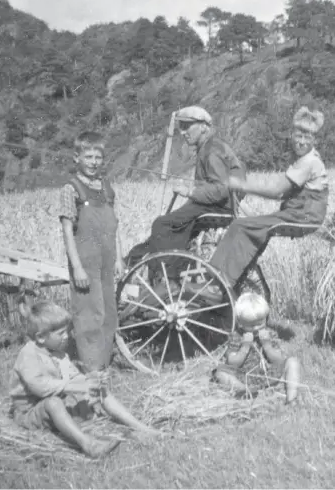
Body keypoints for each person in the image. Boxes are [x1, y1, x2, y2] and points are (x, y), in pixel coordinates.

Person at [10, 300, 158, 458]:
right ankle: (88, 445)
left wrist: (91, 381)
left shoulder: (59, 354)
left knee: (100, 391)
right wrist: (76, 387)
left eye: (66, 331)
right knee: (53, 404)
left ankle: (141, 428)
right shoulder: (29, 355)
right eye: (60, 333)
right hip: (31, 413)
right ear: (40, 337)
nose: (66, 336)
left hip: (58, 400)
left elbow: (74, 377)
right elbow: (39, 387)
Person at [207, 106, 329, 292]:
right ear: (291, 135)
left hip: (302, 217)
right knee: (247, 226)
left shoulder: (309, 162)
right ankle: (222, 277)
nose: (301, 142)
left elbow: (277, 191)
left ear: (315, 140)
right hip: (299, 214)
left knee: (241, 226)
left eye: (307, 138)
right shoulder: (306, 159)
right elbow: (280, 185)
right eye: (298, 136)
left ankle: (217, 284)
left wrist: (241, 185)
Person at [126, 105, 246, 271]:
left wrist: (190, 191)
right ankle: (136, 262)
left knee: (162, 225)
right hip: (214, 206)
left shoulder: (212, 151)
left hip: (215, 208)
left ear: (204, 127)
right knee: (162, 233)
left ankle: (165, 276)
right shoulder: (209, 147)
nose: (182, 132)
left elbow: (221, 189)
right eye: (180, 127)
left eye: (186, 126)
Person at [58, 131, 125, 373]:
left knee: (108, 312)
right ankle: (91, 368)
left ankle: (104, 363)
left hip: (107, 260)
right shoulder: (71, 189)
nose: (94, 162)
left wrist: (119, 258)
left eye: (98, 157)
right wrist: (76, 267)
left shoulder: (106, 188)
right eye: (88, 156)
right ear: (76, 157)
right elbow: (67, 231)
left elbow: (115, 225)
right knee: (89, 313)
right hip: (85, 261)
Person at [212, 291, 301, 404]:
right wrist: (245, 347)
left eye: (260, 323)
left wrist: (267, 346)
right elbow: (232, 363)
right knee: (219, 372)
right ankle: (244, 391)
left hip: (269, 374)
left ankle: (291, 397)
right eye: (250, 325)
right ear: (240, 322)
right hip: (244, 376)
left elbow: (278, 360)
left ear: (265, 318)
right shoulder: (236, 336)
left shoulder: (270, 334)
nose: (256, 328)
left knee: (293, 362)